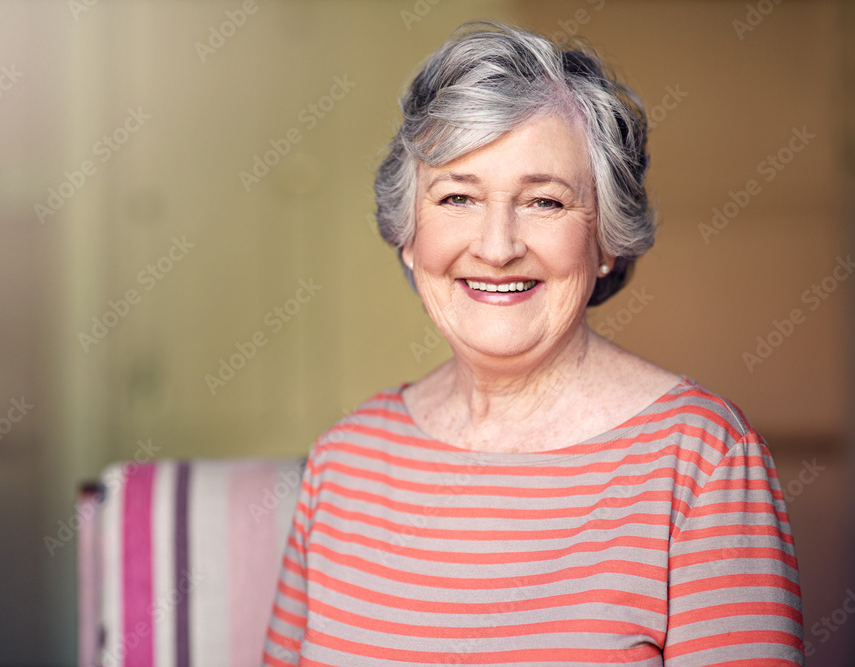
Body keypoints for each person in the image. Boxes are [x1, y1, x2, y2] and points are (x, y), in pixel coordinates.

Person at [263, 20, 803, 666]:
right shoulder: (344, 464)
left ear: (605, 238)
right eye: (457, 196)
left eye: (544, 202)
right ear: (409, 234)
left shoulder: (703, 461)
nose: (496, 246)